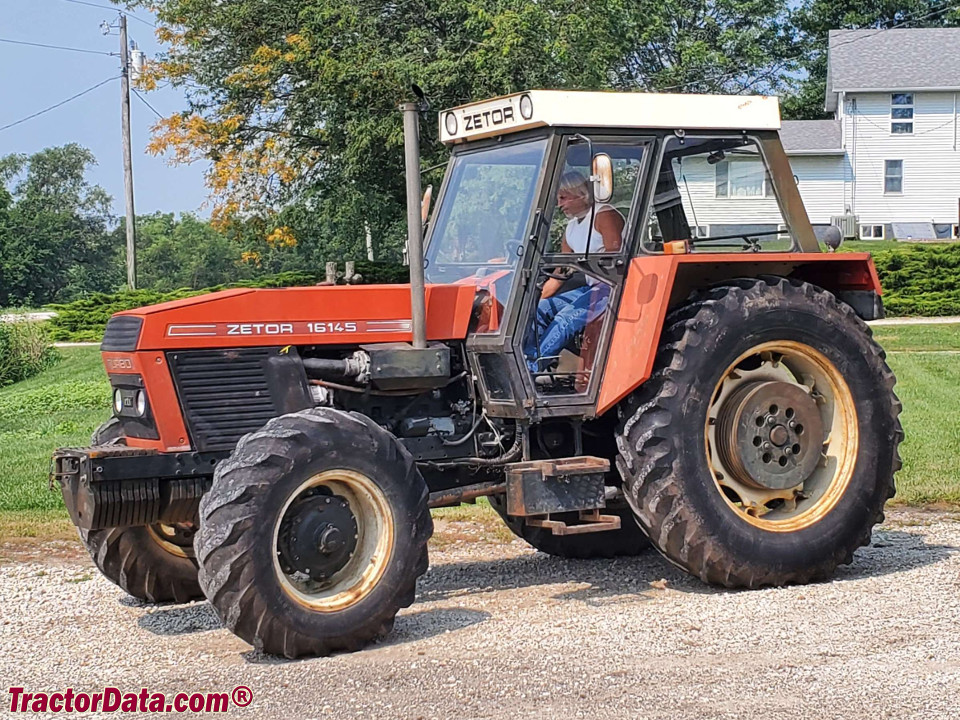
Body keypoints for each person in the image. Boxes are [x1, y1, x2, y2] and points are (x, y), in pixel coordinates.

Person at [524, 171, 624, 373]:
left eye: (563, 197)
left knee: (565, 319)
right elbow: (560, 272)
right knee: (541, 309)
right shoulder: (570, 228)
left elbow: (616, 260)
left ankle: (531, 370)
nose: (560, 204)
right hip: (591, 288)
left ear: (581, 194)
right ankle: (526, 360)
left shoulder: (604, 215)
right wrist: (532, 299)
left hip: (614, 287)